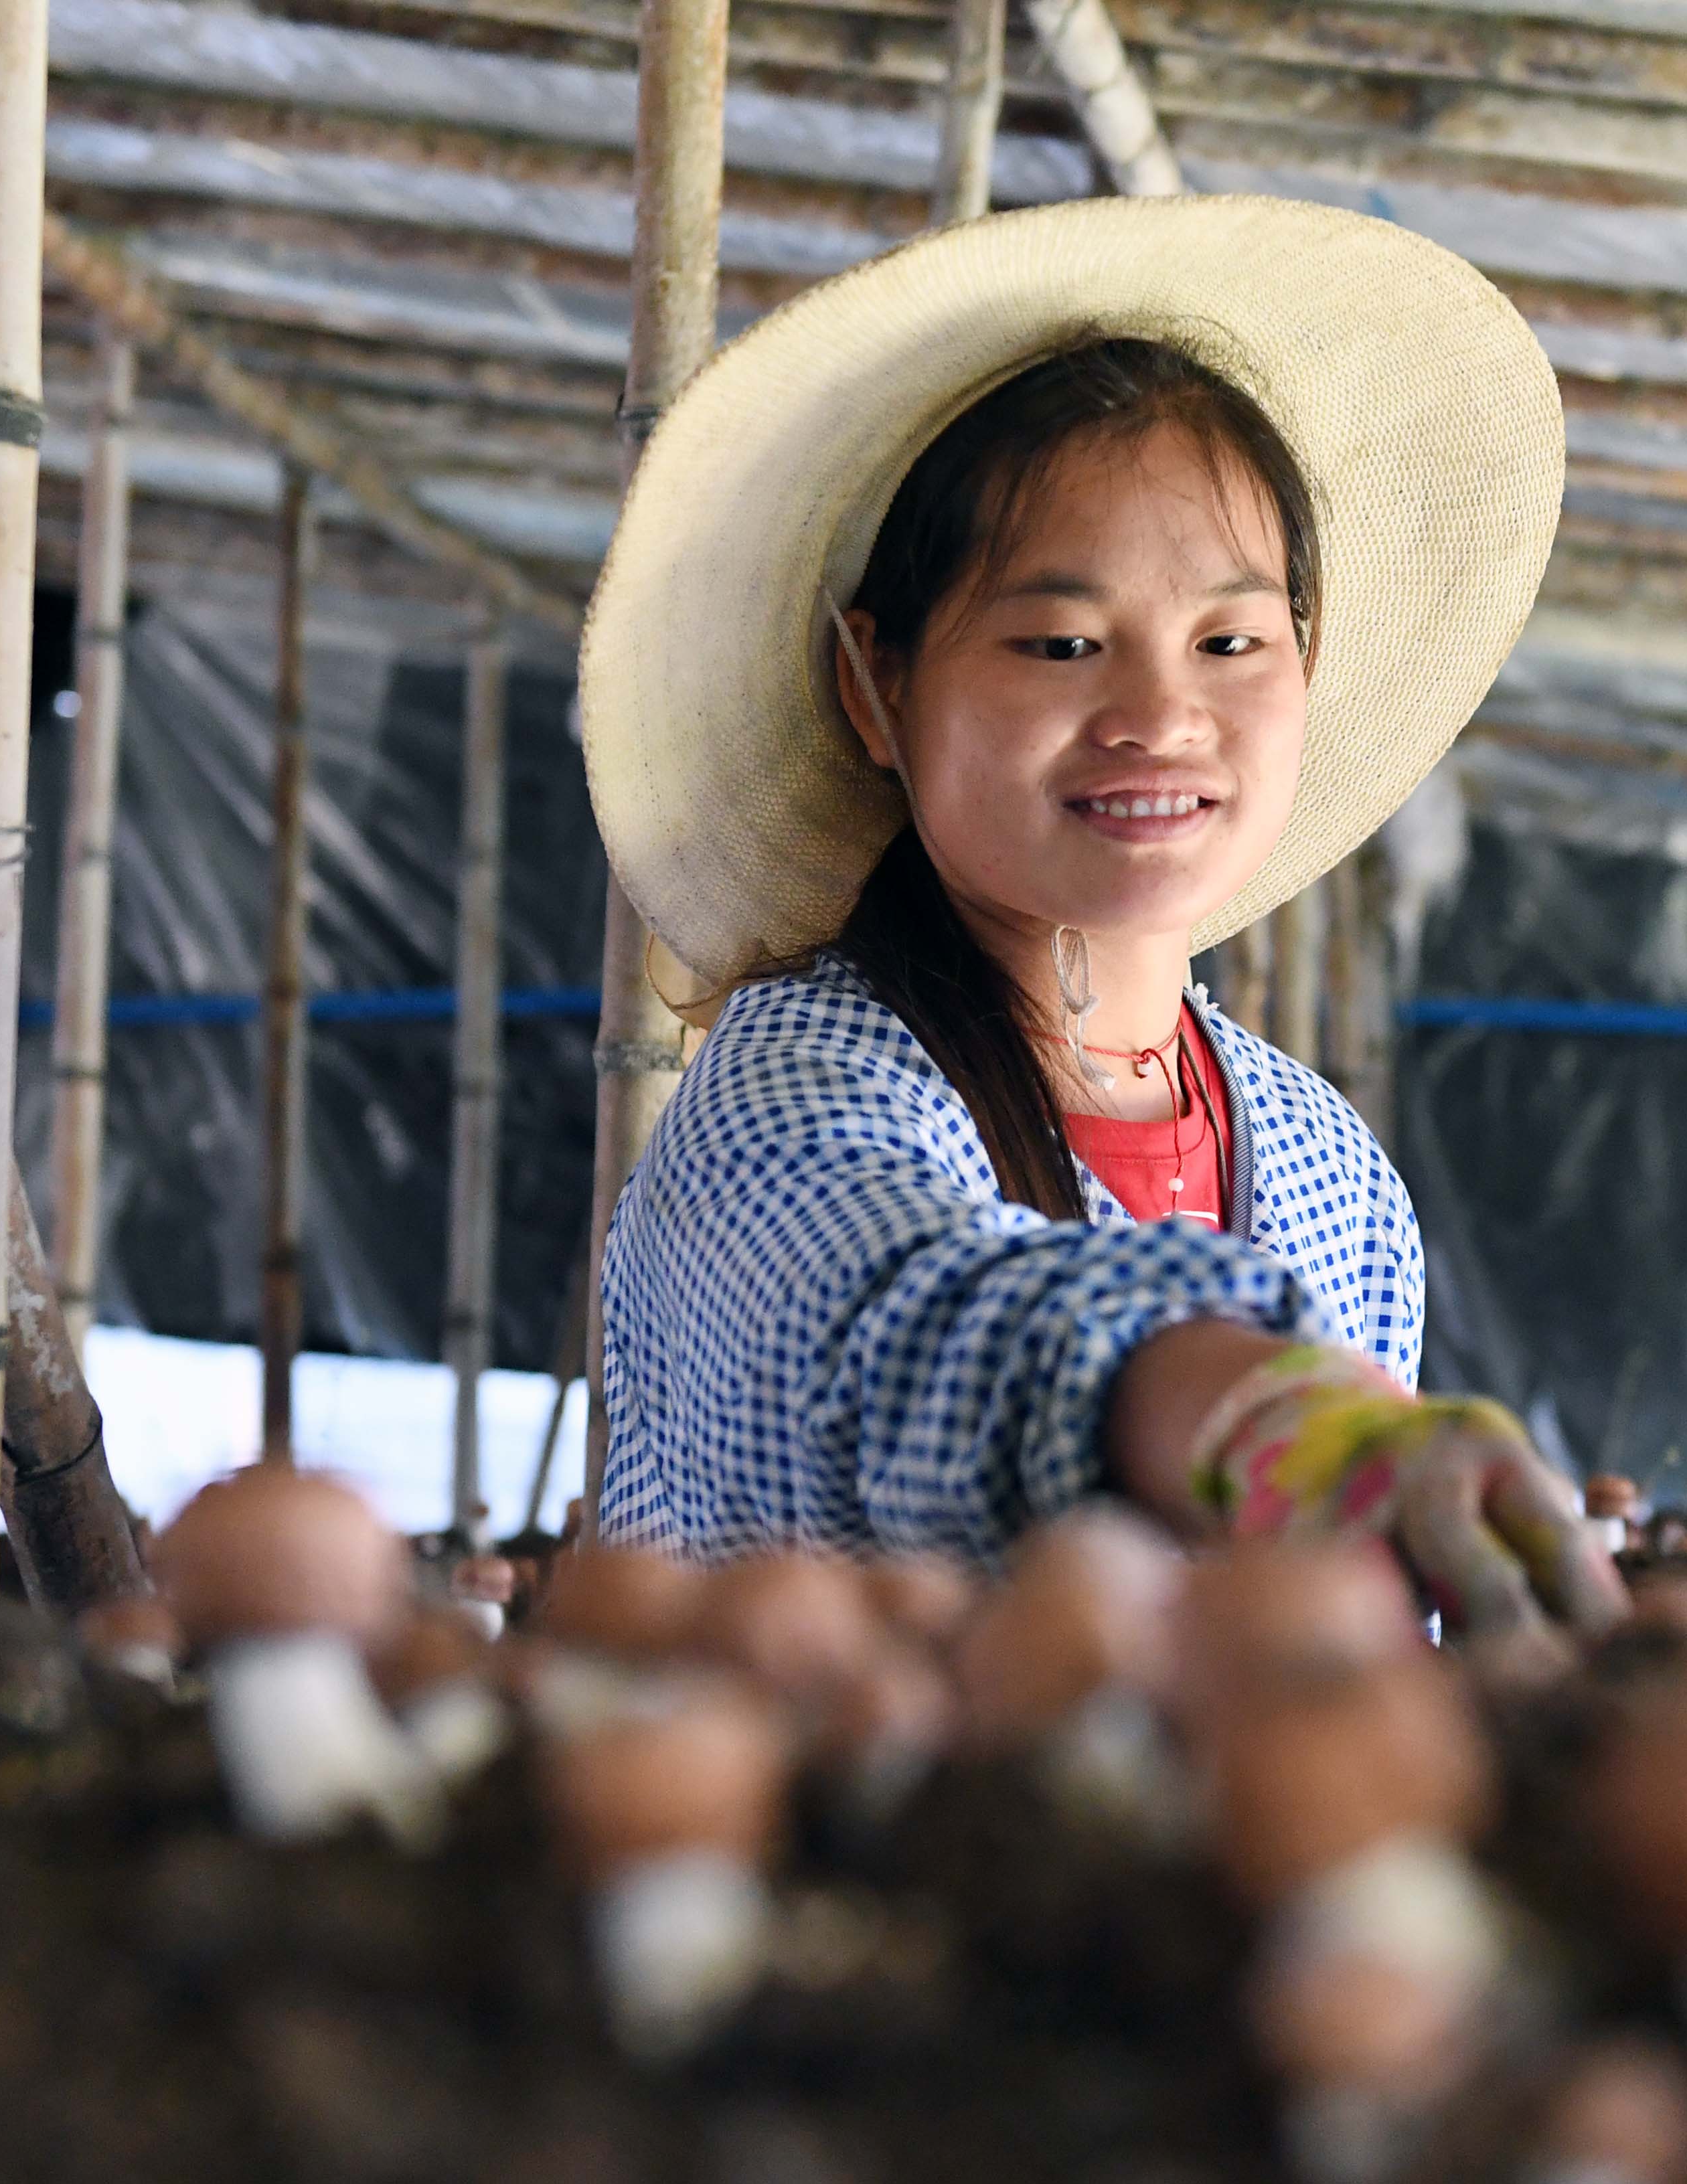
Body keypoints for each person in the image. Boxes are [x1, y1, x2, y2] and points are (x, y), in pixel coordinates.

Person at [577, 195, 1619, 1640]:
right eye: (1062, 642)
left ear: (1304, 665)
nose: (1159, 717)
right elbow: (921, 1342)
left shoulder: (1336, 1179)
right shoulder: (790, 1098)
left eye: (1231, 642)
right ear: (872, 688)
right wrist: (1281, 1427)